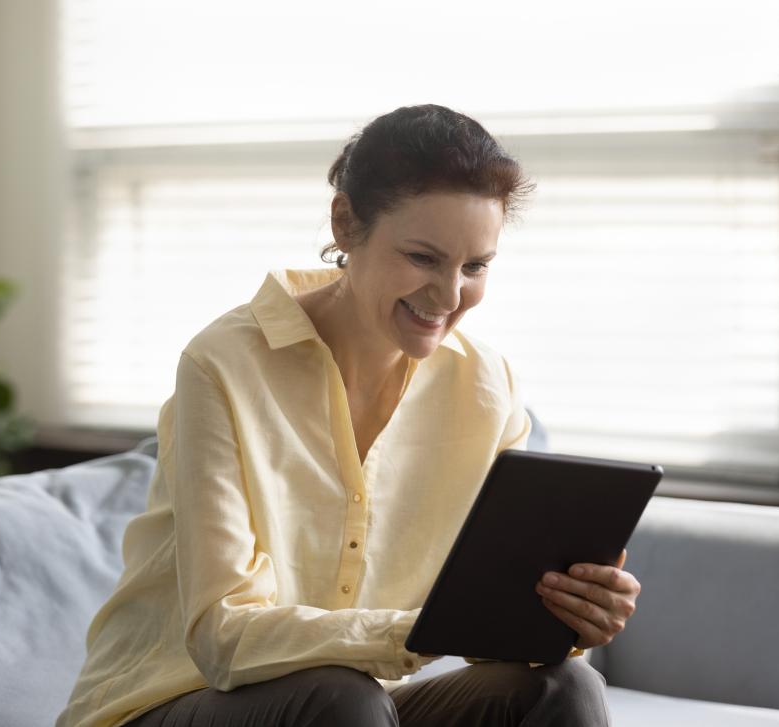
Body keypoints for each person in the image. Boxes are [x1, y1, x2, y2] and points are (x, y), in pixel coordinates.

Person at [56, 104, 641, 727]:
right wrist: (409, 633)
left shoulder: (487, 385)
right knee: (343, 696)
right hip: (165, 704)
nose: (448, 297)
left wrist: (567, 613)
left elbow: (489, 618)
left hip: (348, 707)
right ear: (345, 222)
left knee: (564, 688)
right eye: (422, 257)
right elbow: (222, 636)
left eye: (474, 267)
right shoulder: (224, 364)